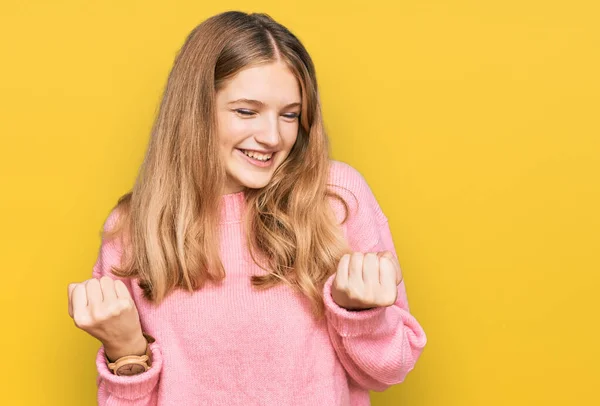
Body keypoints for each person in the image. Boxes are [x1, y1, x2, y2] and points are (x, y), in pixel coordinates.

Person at [67, 10, 426, 406]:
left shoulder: (336, 197)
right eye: (246, 111)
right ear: (195, 110)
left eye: (290, 115)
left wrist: (360, 314)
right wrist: (126, 350)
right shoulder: (133, 229)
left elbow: (389, 371)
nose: (273, 136)